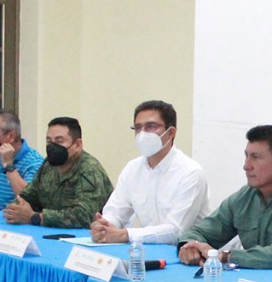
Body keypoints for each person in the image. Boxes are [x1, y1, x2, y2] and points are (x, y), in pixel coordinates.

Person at [177, 125, 272, 269]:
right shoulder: (244, 198)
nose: (246, 166)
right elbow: (201, 231)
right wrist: (190, 246)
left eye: (255, 157)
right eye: (246, 156)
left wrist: (226, 256)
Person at [88, 100, 210, 244]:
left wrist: (125, 235)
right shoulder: (132, 169)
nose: (143, 133)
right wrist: (104, 226)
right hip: (148, 249)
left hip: (186, 251)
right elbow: (116, 211)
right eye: (138, 127)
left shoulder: (191, 173)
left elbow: (176, 231)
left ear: (171, 133)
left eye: (151, 126)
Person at [3, 117, 112, 229]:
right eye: (49, 141)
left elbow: (85, 216)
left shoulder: (89, 170)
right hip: (50, 232)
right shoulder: (48, 165)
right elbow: (29, 195)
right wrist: (16, 209)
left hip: (86, 236)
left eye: (59, 141)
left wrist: (36, 217)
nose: (52, 147)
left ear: (77, 145)